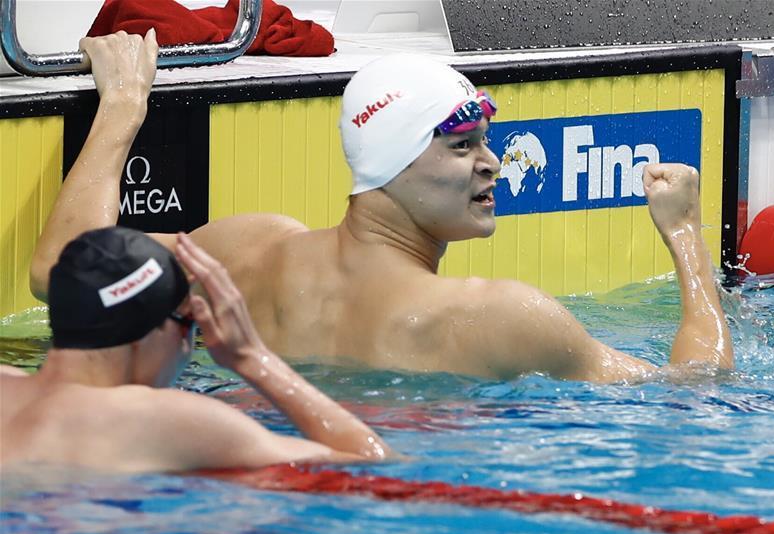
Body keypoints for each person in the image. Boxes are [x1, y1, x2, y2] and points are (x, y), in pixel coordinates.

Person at [30, 31, 733, 384]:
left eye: (484, 143)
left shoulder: (246, 252)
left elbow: (63, 271)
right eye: (461, 147)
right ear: (392, 160)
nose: (490, 163)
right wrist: (684, 237)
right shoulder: (496, 315)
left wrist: (123, 106)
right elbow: (696, 390)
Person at [2, 226, 394, 472]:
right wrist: (252, 357)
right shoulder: (162, 420)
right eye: (191, 325)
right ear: (154, 331)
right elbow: (375, 468)